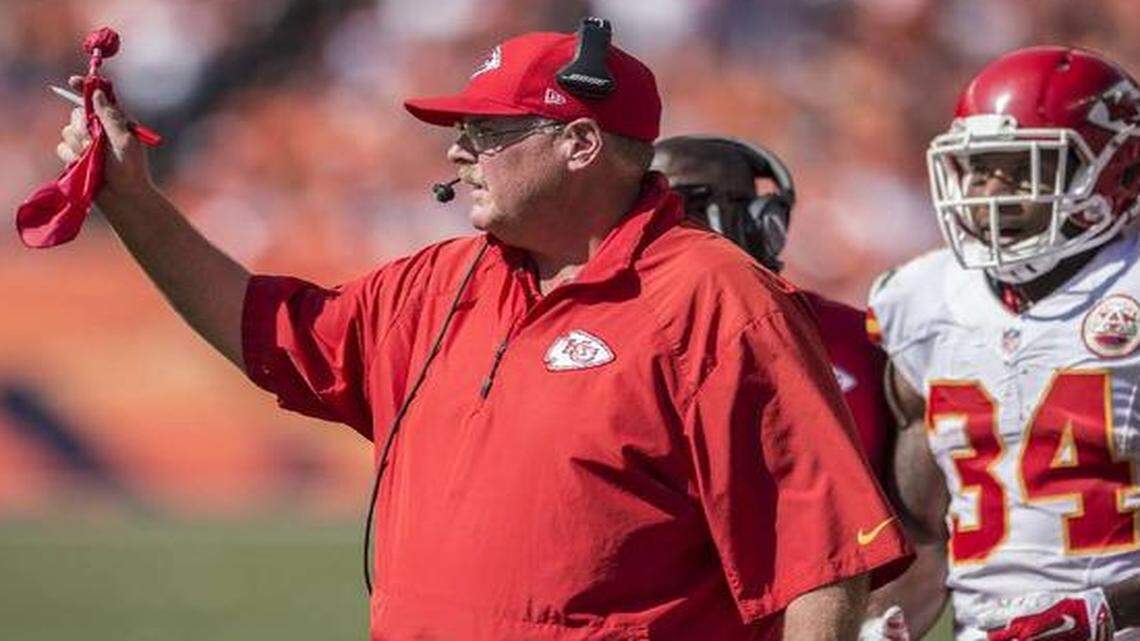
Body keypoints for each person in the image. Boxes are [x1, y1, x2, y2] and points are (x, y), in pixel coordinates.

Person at [54, 22, 909, 641]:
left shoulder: (717, 300)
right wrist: (133, 201)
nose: (459, 152)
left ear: (580, 142)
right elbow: (268, 333)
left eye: (488, 131)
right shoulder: (442, 280)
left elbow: (822, 566)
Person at [869, 46, 1140, 641]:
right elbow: (924, 531)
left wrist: (1105, 612)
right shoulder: (921, 299)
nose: (991, 192)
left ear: (1116, 170)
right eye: (980, 167)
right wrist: (883, 623)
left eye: (1023, 170)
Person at [652, 136, 945, 641]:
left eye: (689, 206)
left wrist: (864, 628)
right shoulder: (601, 343)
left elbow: (921, 537)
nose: (664, 227)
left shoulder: (860, 342)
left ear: (763, 220)